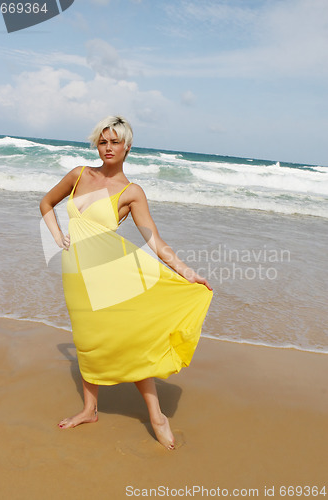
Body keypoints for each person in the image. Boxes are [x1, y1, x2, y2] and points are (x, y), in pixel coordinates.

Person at [40, 116, 213, 450]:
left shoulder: (131, 192)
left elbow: (155, 241)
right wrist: (59, 236)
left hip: (111, 275)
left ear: (127, 147)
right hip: (77, 276)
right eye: (103, 142)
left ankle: (157, 416)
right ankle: (90, 410)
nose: (108, 148)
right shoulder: (79, 175)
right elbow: (46, 203)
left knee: (125, 342)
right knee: (87, 341)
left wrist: (187, 271)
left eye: (115, 142)